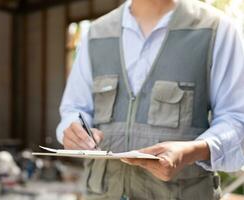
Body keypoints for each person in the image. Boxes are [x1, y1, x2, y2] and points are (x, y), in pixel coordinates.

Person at [56, 0, 244, 199]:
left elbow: (237, 119)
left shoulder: (216, 30)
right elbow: (74, 109)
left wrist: (193, 150)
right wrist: (73, 129)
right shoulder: (96, 34)